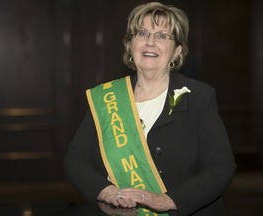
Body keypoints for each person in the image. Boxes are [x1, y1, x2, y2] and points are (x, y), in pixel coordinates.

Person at [64, 2, 236, 216]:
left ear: (176, 52)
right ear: (130, 45)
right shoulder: (107, 97)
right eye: (142, 33)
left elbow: (221, 166)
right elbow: (75, 160)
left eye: (162, 36)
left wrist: (167, 201)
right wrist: (108, 192)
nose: (150, 42)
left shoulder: (199, 96)